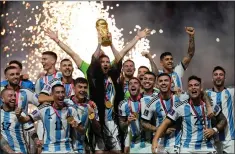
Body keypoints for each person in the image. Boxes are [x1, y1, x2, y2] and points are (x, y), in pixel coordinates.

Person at [152, 75, 227, 154]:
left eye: (196, 85)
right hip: (187, 148)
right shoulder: (180, 106)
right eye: (190, 86)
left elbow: (223, 120)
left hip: (207, 147)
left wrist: (214, 130)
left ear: (201, 88)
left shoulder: (211, 105)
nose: (193, 87)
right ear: (188, 89)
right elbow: (165, 123)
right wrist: (155, 141)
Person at [44, 28, 150, 79]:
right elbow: (72, 54)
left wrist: (137, 38)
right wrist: (57, 40)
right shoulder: (87, 68)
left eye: (105, 60)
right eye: (100, 59)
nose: (103, 63)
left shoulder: (110, 68)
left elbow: (124, 51)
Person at [31, 84, 84, 153]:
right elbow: (26, 120)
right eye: (58, 92)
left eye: (62, 92)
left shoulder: (70, 109)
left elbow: (82, 131)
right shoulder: (44, 109)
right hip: (49, 150)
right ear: (52, 95)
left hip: (67, 150)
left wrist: (77, 126)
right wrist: (36, 138)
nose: (61, 95)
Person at [141, 73, 181, 153]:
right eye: (160, 81)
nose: (163, 83)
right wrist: (159, 129)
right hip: (159, 140)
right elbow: (143, 122)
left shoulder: (180, 99)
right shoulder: (152, 102)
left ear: (171, 83)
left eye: (166, 80)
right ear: (157, 84)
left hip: (177, 140)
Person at [0, 89, 42, 154]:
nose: (14, 98)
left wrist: (37, 141)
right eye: (10, 96)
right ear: (2, 99)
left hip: (21, 151)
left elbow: (31, 131)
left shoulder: (21, 114)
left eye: (14, 96)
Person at [64, 77, 99, 153]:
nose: (82, 90)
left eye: (85, 87)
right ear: (74, 88)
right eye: (80, 87)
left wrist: (92, 116)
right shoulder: (65, 103)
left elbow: (97, 130)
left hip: (82, 148)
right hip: (66, 147)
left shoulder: (91, 106)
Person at [206, 66, 235, 154]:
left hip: (229, 138)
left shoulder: (231, 92)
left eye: (221, 75)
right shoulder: (207, 94)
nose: (218, 76)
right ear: (212, 78)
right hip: (213, 138)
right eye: (216, 74)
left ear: (224, 78)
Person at [119, 77, 151, 153]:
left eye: (136, 83)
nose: (133, 85)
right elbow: (122, 127)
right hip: (133, 145)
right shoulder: (123, 104)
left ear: (140, 87)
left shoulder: (148, 101)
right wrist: (128, 122)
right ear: (128, 88)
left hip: (148, 143)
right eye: (130, 83)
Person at [158, 27, 196, 92]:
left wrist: (191, 37)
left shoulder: (178, 70)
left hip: (179, 101)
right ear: (161, 63)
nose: (170, 61)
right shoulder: (158, 74)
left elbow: (190, 54)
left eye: (171, 59)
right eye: (167, 59)